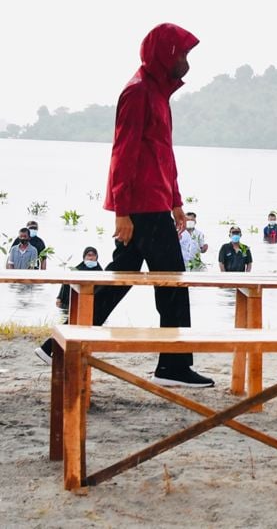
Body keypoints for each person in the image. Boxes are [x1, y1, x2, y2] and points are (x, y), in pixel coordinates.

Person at [36, 23, 212, 387]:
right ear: (165, 53)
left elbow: (163, 156)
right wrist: (122, 211)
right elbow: (123, 153)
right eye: (182, 53)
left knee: (120, 278)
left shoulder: (159, 94)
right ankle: (173, 367)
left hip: (155, 204)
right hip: (141, 207)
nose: (186, 61)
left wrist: (176, 202)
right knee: (173, 282)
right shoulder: (137, 92)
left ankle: (56, 345)